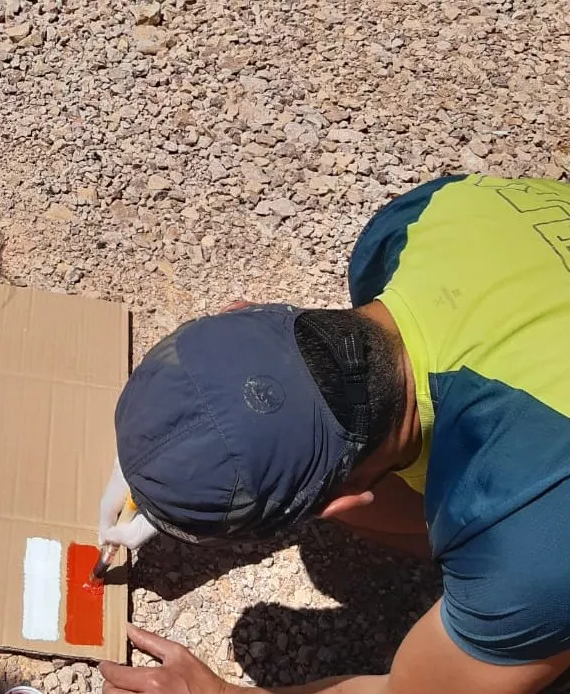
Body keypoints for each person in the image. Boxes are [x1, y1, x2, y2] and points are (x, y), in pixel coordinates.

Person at [96, 174, 570, 693]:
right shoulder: (423, 221)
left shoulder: (536, 548)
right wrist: (163, 442)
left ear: (342, 502)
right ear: (245, 309)